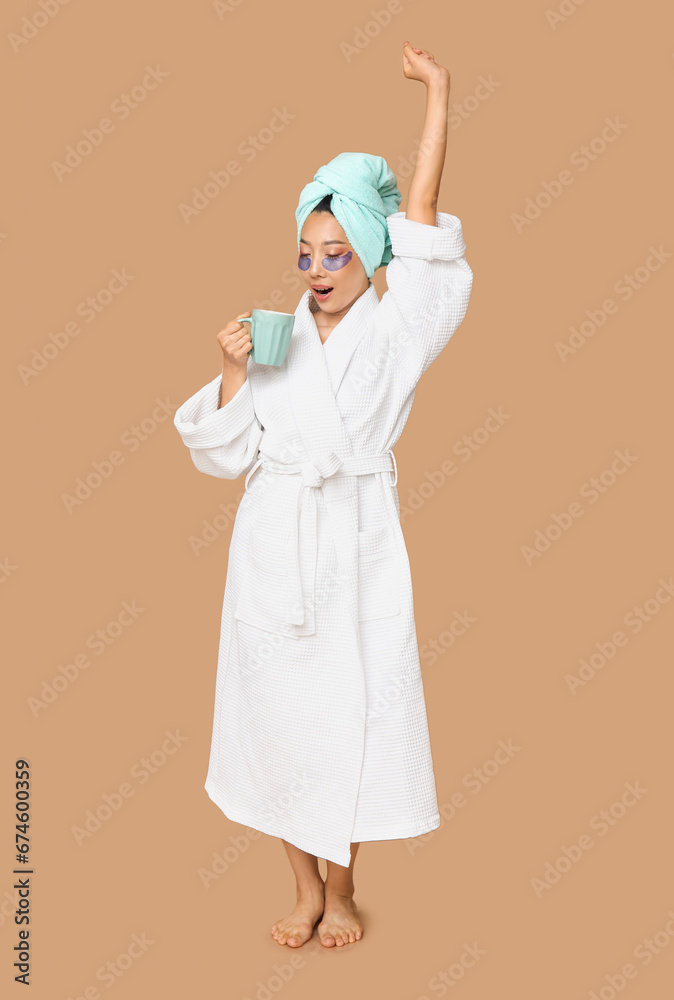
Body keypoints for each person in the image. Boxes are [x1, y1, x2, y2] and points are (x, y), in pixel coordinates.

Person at [173, 41, 473, 949]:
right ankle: (305, 890)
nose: (317, 267)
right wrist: (230, 375)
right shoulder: (275, 338)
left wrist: (438, 94)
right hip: (274, 541)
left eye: (337, 251)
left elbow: (421, 213)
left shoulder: (401, 328)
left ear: (369, 254)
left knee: (357, 714)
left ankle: (344, 890)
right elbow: (228, 456)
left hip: (357, 539)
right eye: (305, 251)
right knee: (279, 718)